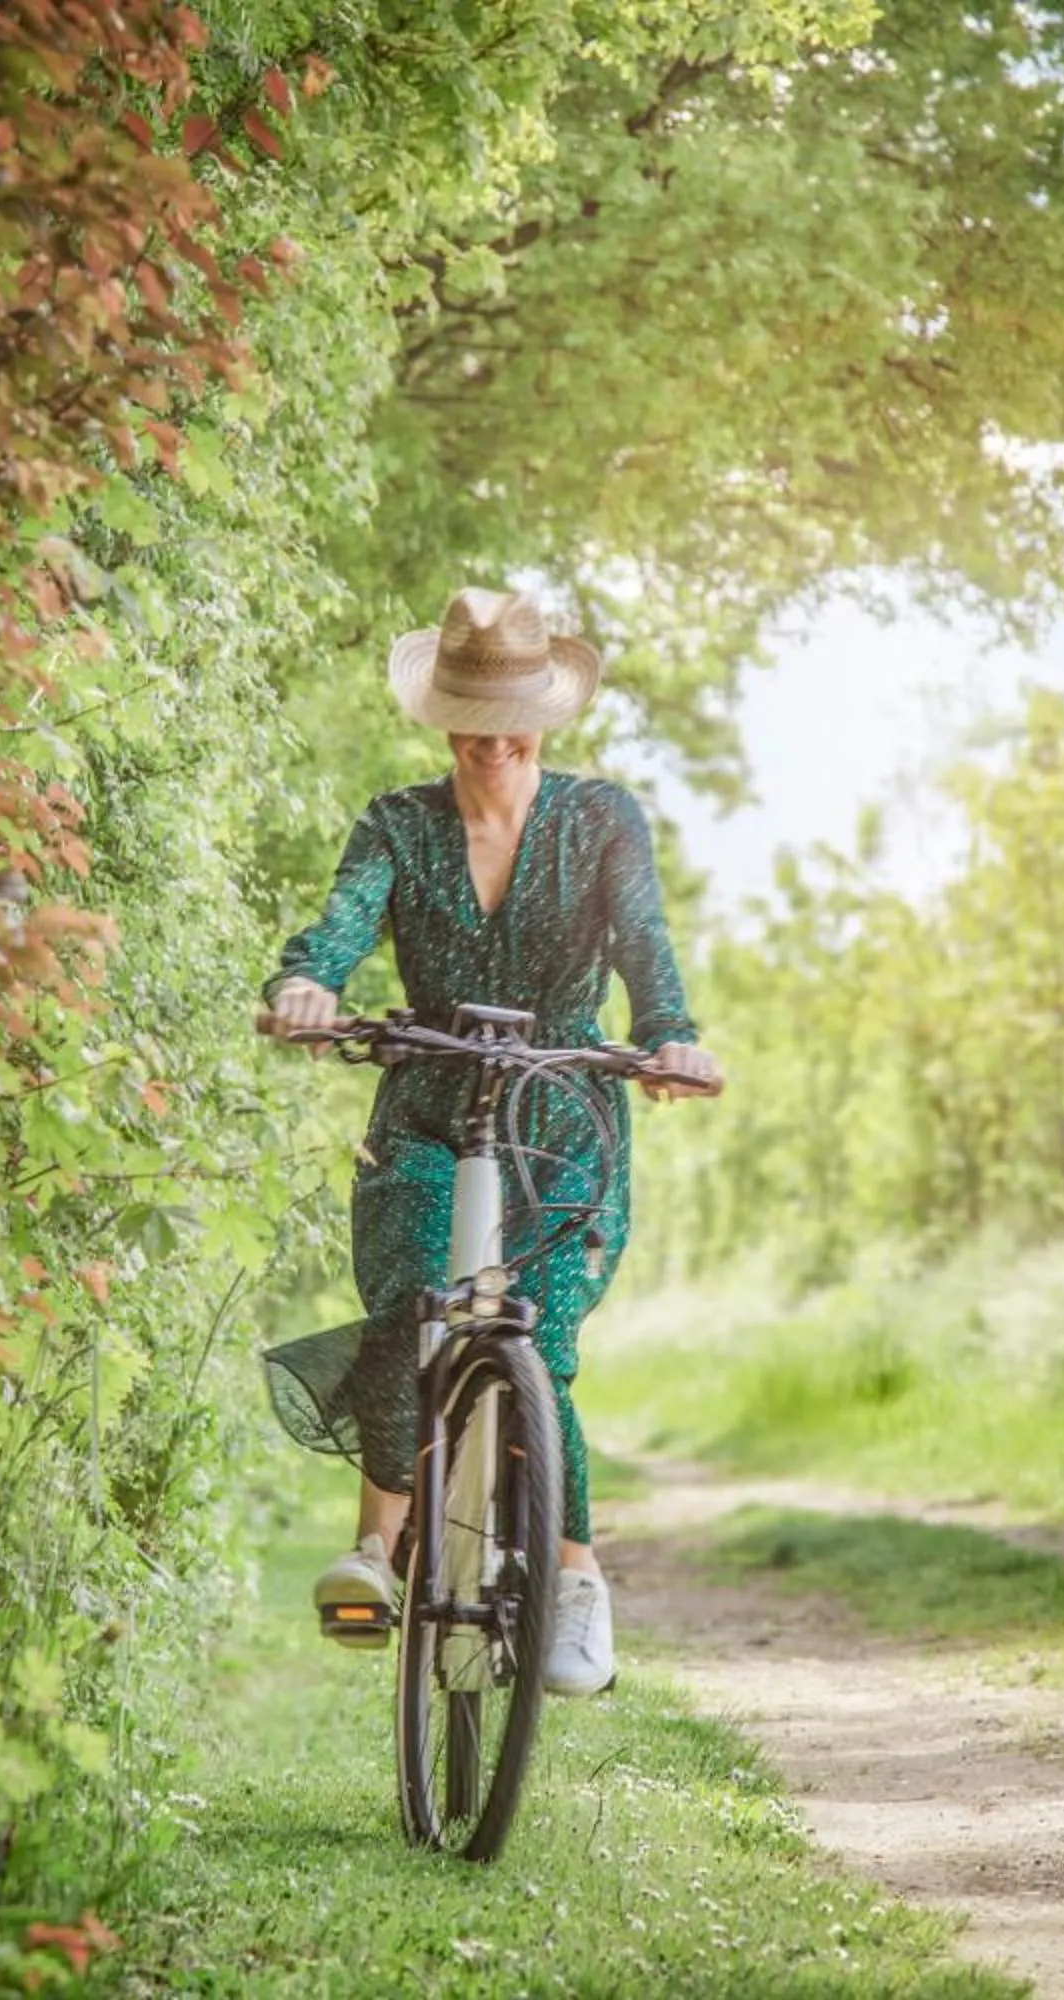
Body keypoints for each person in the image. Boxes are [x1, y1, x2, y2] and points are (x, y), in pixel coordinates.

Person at [262, 585, 721, 1698]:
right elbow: (340, 918)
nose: (496, 734)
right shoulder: (397, 823)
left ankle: (572, 1577)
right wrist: (308, 981)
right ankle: (377, 1546)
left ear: (546, 711)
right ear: (442, 715)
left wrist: (669, 1038)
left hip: (562, 1108)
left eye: (515, 709)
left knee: (542, 1335)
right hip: (427, 1096)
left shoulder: (603, 817)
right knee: (416, 1298)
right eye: (473, 710)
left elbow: (645, 941)